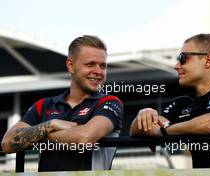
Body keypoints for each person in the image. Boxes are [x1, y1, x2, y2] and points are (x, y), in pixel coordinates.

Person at [130, 33, 210, 168]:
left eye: (183, 58)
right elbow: (137, 130)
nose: (176, 65)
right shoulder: (183, 102)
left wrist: (165, 129)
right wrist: (145, 113)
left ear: (208, 61)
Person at [1, 35, 123, 171]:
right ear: (70, 65)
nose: (98, 71)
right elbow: (7, 143)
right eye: (90, 64)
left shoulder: (110, 102)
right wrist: (50, 124)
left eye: (103, 66)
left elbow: (84, 138)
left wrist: (41, 136)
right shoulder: (43, 105)